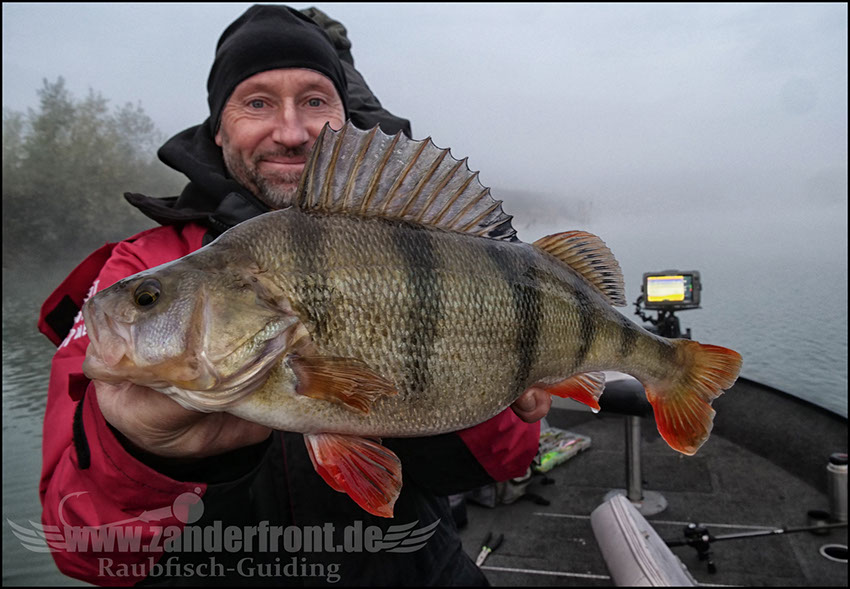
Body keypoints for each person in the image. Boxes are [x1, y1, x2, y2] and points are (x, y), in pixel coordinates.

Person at [38, 5, 552, 586]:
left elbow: (508, 459)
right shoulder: (140, 266)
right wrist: (141, 448)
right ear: (218, 127)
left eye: (314, 100)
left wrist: (485, 381)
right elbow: (79, 545)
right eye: (256, 102)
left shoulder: (437, 246)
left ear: (346, 116)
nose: (290, 130)